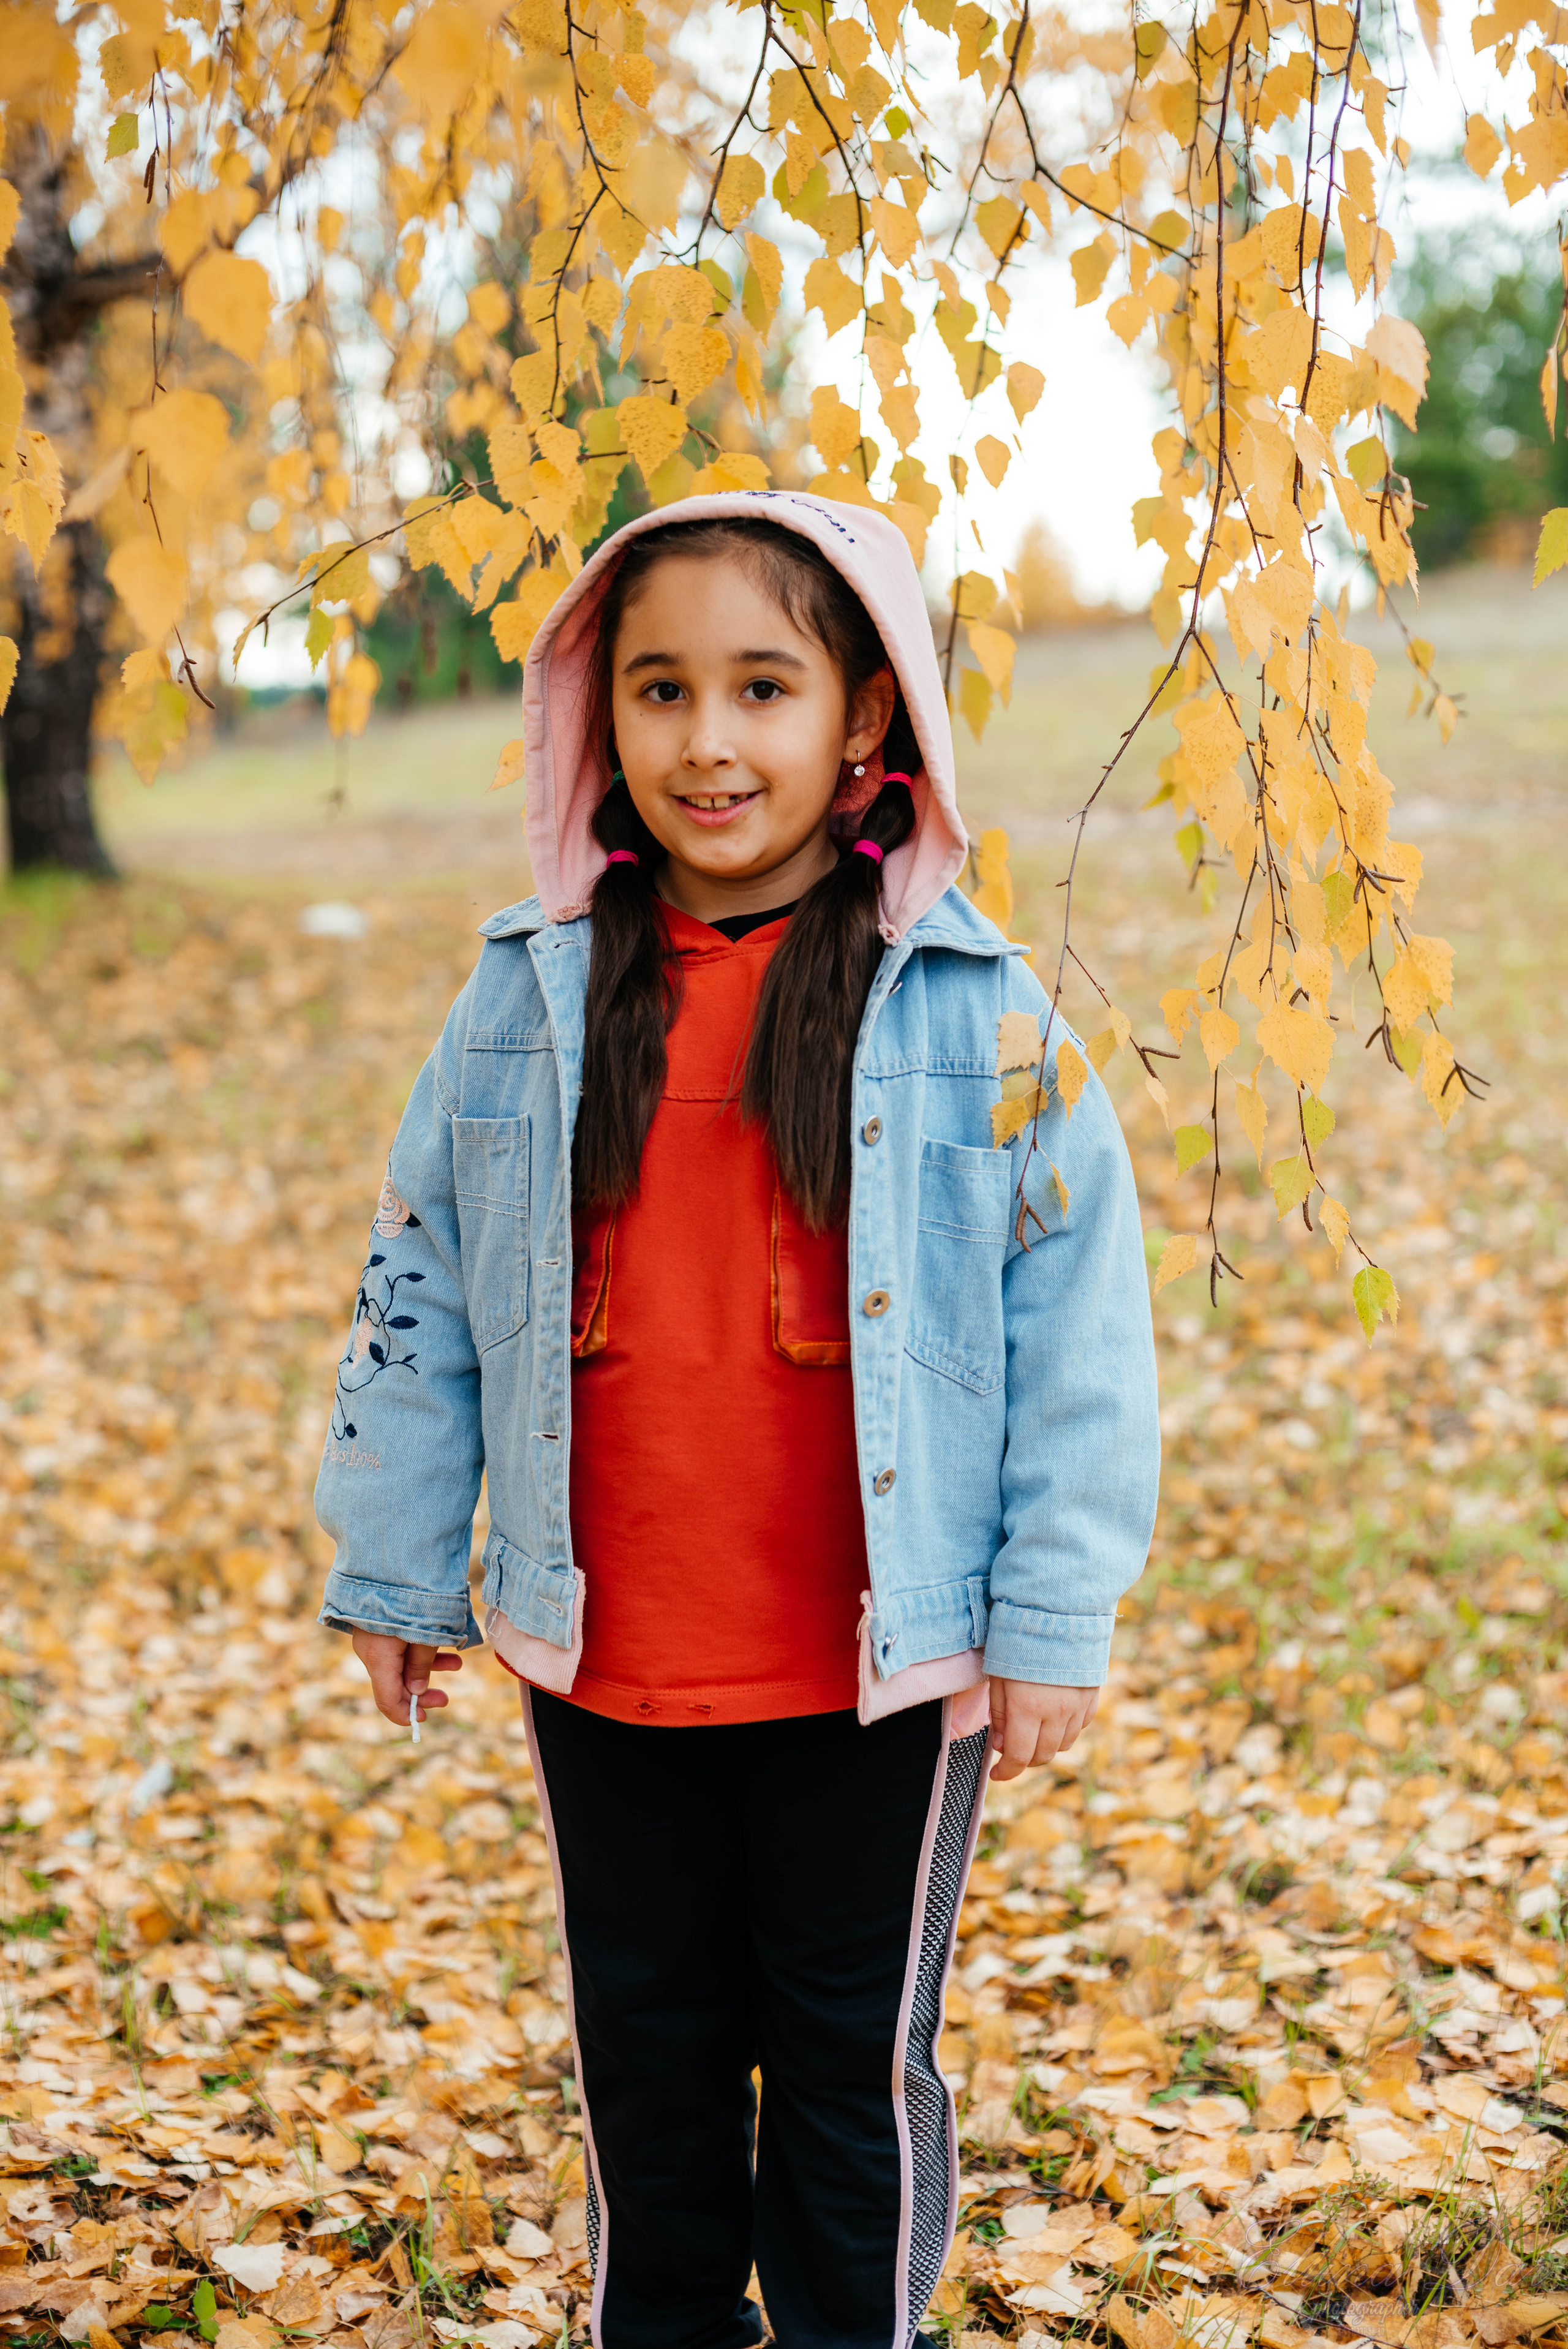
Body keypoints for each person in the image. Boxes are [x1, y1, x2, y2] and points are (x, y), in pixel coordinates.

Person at [315, 492, 1159, 2349]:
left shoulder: (979, 1016)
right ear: (595, 720)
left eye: (763, 687)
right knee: (654, 2079)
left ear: (864, 715)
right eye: (661, 689)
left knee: (848, 2087)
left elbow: (1081, 1325)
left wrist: (1052, 1613)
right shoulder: (525, 1001)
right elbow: (426, 1273)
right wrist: (392, 1559)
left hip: (874, 1674)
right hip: (609, 1667)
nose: (709, 740)